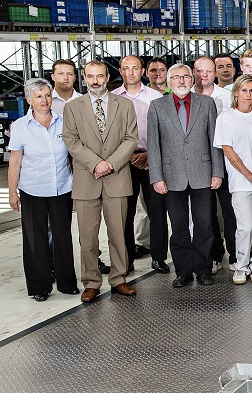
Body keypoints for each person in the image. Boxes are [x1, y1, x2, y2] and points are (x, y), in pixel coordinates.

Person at [62, 60, 139, 302]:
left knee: (118, 234)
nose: (95, 81)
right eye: (90, 76)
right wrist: (96, 164)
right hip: (87, 179)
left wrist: (110, 164)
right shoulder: (73, 107)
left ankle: (119, 279)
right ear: (84, 79)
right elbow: (71, 140)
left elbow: (131, 138)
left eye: (100, 76)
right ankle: (91, 282)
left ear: (107, 77)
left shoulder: (124, 105)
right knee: (87, 237)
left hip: (116, 177)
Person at [147, 63, 225, 288]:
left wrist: (217, 172)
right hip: (171, 176)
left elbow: (214, 141)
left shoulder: (207, 103)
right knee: (179, 226)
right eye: (176, 77)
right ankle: (182, 271)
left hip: (203, 173)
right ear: (169, 82)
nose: (181, 81)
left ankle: (203, 269)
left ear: (193, 80)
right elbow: (153, 145)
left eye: (185, 77)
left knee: (204, 225)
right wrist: (157, 177)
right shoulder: (157, 106)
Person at [8, 78, 78, 301]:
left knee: (63, 237)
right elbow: (15, 162)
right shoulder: (19, 127)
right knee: (35, 239)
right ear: (29, 100)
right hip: (32, 190)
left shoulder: (63, 121)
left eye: (47, 95)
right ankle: (40, 287)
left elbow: (72, 155)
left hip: (61, 188)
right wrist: (12, 191)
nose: (44, 100)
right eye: (38, 96)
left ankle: (67, 283)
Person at [111, 55, 168, 273]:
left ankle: (158, 257)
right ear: (120, 71)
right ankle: (126, 260)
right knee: (125, 212)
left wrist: (149, 154)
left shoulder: (156, 97)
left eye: (135, 68)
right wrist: (125, 155)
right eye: (126, 68)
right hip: (123, 162)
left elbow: (164, 133)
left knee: (157, 210)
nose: (131, 72)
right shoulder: (112, 98)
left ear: (142, 71)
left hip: (151, 159)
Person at [214, 75, 252, 285]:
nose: (248, 95)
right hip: (241, 180)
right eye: (244, 90)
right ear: (236, 92)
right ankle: (241, 265)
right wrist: (248, 173)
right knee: (246, 226)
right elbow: (228, 150)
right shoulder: (227, 118)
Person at [196, 56, 238, 274]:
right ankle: (213, 255)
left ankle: (234, 254)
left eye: (208, 71)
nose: (204, 75)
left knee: (230, 211)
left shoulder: (227, 97)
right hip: (199, 163)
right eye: (200, 71)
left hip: (224, 160)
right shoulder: (189, 97)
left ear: (214, 74)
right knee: (206, 212)